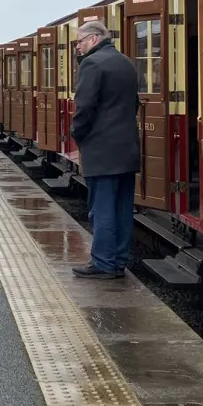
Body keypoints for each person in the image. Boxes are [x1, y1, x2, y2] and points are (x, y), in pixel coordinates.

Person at [70, 20, 140, 279]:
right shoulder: (126, 63)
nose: (77, 47)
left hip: (101, 149)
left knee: (102, 207)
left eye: (79, 42)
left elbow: (85, 107)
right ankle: (118, 261)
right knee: (122, 207)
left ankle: (102, 262)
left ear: (93, 39)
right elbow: (135, 104)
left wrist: (77, 133)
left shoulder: (92, 63)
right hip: (127, 148)